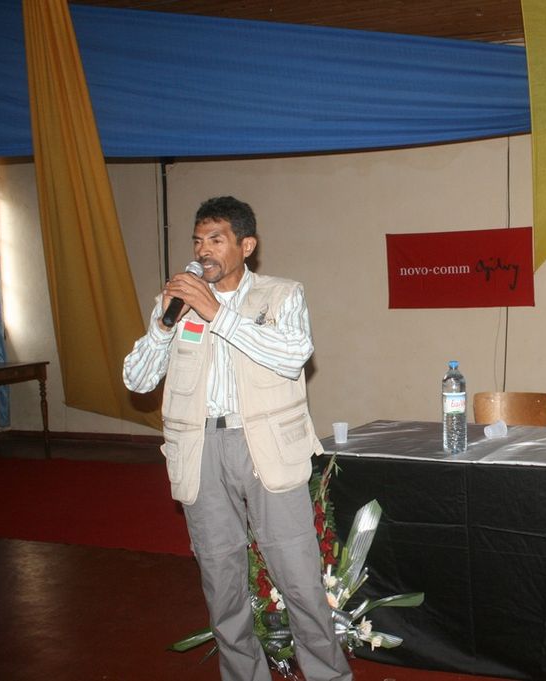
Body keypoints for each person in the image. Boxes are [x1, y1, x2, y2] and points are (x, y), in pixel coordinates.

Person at [123, 196, 352, 681]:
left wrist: (217, 314)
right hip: (200, 451)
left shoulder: (281, 294)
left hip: (264, 448)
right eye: (198, 240)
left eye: (217, 239)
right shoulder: (177, 304)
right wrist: (165, 324)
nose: (204, 250)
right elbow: (137, 381)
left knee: (299, 580)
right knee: (221, 581)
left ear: (246, 245)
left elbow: (292, 355)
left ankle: (330, 676)